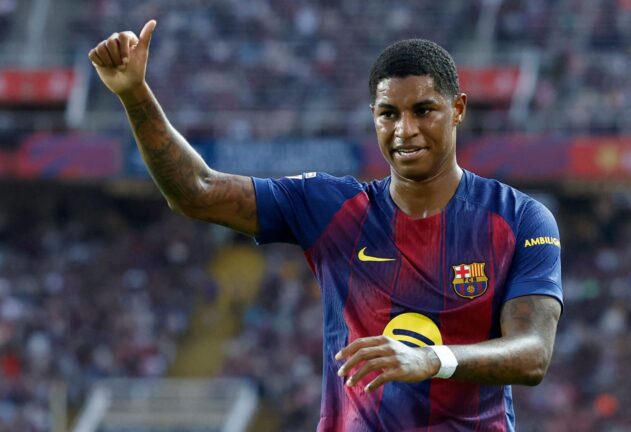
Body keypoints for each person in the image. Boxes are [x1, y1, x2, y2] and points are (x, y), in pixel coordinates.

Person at [88, 20, 563, 431]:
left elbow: (532, 354)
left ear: (457, 109)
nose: (405, 130)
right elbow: (197, 190)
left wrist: (431, 360)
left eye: (423, 110)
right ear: (373, 117)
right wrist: (134, 93)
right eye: (389, 114)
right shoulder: (333, 208)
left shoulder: (518, 218)